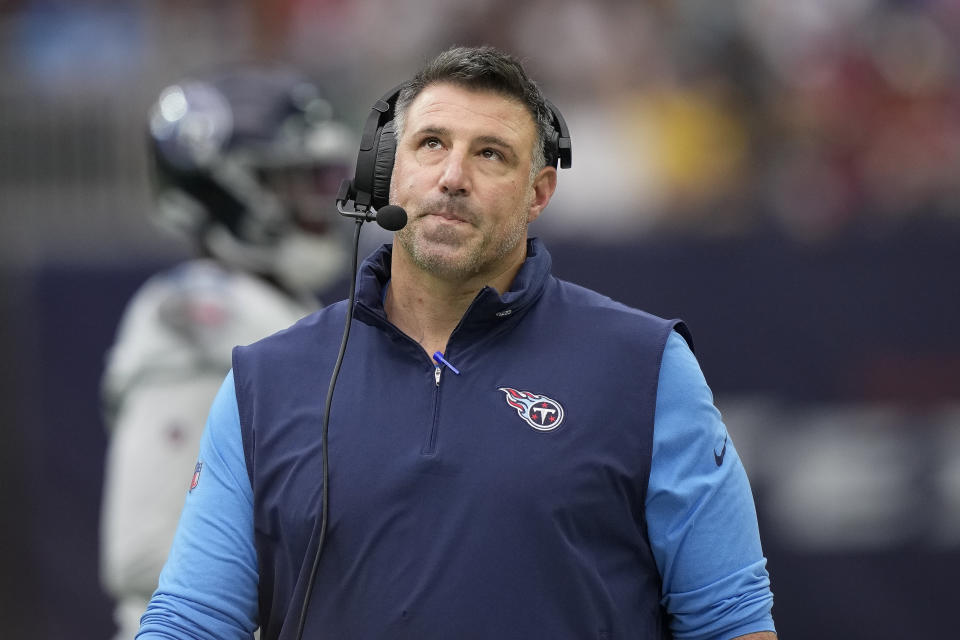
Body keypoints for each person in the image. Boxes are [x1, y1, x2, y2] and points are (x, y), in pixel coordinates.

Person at [137, 46, 777, 639]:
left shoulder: (646, 368)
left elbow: (730, 621)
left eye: (490, 154)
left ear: (540, 193)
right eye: (431, 144)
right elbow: (192, 620)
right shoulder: (265, 382)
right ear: (386, 174)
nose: (452, 176)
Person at [99, 65, 355, 640]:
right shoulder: (201, 319)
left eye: (322, 178)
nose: (319, 202)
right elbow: (145, 555)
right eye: (294, 181)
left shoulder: (279, 304)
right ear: (229, 189)